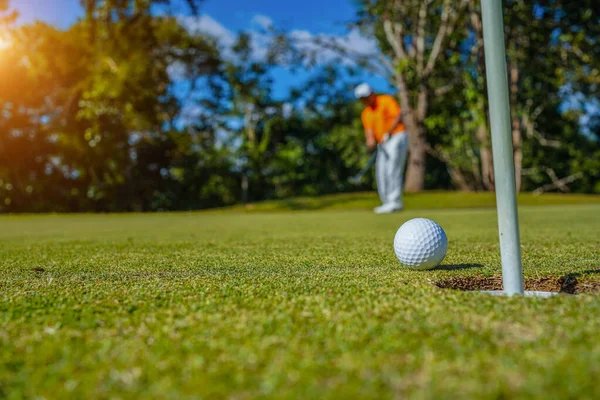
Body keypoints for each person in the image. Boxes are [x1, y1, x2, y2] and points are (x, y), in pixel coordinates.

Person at [354, 83, 409, 214]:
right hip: (383, 143)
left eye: (366, 97)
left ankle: (395, 202)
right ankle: (386, 202)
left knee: (392, 169)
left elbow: (397, 116)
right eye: (362, 98)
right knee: (381, 172)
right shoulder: (366, 113)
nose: (365, 100)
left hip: (396, 136)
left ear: (372, 93)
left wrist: (389, 132)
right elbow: (369, 132)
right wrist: (370, 141)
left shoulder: (385, 100)